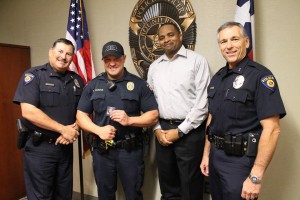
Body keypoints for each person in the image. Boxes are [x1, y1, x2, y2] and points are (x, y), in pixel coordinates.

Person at [200, 21, 286, 200]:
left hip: (240, 162)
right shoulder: (218, 78)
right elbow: (212, 118)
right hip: (216, 158)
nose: (229, 46)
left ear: (246, 42)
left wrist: (256, 176)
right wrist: (206, 155)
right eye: (223, 41)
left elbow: (272, 129)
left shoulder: (260, 76)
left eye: (234, 39)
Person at [76, 41, 159, 200]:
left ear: (124, 58)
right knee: (105, 195)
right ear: (103, 61)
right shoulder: (93, 85)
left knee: (133, 194)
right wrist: (98, 130)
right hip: (102, 151)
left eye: (116, 59)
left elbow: (153, 115)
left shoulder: (138, 84)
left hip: (130, 151)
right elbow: (80, 116)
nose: (112, 63)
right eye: (107, 59)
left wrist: (130, 120)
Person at [13, 38, 84, 200]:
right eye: (60, 51)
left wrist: (75, 129)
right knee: (41, 196)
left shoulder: (77, 81)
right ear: (51, 52)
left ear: (72, 58)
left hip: (65, 148)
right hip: (40, 149)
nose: (63, 57)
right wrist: (63, 129)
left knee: (64, 195)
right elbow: (29, 111)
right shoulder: (34, 76)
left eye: (68, 54)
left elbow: (83, 112)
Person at [147, 23, 211, 200]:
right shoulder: (154, 67)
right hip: (163, 132)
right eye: (161, 37)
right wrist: (157, 129)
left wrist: (181, 131)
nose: (166, 39)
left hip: (190, 133)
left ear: (180, 35)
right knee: (168, 187)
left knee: (191, 187)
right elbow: (150, 103)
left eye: (170, 35)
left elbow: (202, 104)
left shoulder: (197, 61)